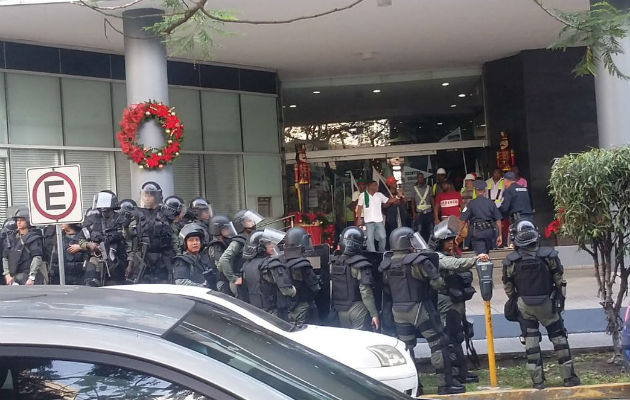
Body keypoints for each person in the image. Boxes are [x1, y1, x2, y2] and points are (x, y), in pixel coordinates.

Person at [379, 226, 464, 395]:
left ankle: (415, 388)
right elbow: (437, 283)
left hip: (398, 312)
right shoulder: (418, 261)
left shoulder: (387, 264)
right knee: (438, 343)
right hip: (419, 308)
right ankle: (445, 385)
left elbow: (386, 289)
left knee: (406, 348)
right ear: (406, 242)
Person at [502, 220, 580, 389]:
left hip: (524, 304)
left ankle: (538, 382)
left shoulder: (511, 260)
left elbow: (508, 287)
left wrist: (517, 300)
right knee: (559, 339)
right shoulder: (548, 255)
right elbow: (559, 280)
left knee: (531, 343)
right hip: (547, 303)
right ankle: (569, 379)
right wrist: (559, 299)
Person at [433, 218, 490, 386]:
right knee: (451, 338)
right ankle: (455, 374)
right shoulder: (438, 257)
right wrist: (475, 259)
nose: (451, 243)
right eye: (447, 241)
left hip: (456, 300)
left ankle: (462, 372)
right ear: (440, 242)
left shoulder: (449, 253)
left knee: (459, 335)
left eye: (452, 240)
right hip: (446, 302)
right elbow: (455, 265)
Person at [331, 226, 379, 331]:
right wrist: (374, 314)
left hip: (340, 310)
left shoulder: (334, 263)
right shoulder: (361, 264)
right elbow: (366, 292)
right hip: (357, 309)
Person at [126, 182, 176, 284]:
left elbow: (174, 238)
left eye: (151, 195)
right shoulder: (135, 214)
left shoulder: (166, 214)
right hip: (142, 258)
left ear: (157, 196)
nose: (147, 198)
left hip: (163, 258)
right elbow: (131, 241)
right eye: (145, 195)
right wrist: (130, 263)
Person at [242, 229, 295, 317]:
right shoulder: (271, 264)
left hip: (254, 312)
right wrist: (294, 290)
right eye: (268, 243)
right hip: (273, 313)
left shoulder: (246, 265)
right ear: (261, 246)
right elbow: (286, 291)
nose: (272, 245)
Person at [81, 190, 127, 286]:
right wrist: (88, 244)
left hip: (116, 259)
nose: (103, 211)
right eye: (101, 209)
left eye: (106, 209)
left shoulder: (121, 220)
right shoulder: (93, 219)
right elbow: (80, 239)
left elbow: (129, 242)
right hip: (96, 257)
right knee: (89, 282)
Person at [217, 209, 263, 297]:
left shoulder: (252, 238)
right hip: (240, 282)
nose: (252, 223)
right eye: (248, 221)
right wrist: (234, 279)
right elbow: (224, 259)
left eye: (252, 220)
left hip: (250, 279)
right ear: (240, 224)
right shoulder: (238, 241)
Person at [281, 227, 321, 325]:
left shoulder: (280, 261)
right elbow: (315, 288)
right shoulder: (303, 265)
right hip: (304, 307)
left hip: (287, 308)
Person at [3, 208, 45, 285]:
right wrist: (7, 275)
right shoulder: (11, 238)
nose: (19, 222)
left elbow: (37, 257)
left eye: (22, 220)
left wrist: (32, 277)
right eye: (17, 220)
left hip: (27, 277)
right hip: (13, 277)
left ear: (28, 221)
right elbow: (5, 257)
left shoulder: (33, 237)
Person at [460, 180, 503, 254]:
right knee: (487, 255)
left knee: (481, 257)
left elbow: (463, 220)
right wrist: (500, 235)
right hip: (489, 233)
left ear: (475, 191)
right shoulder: (491, 203)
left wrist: (458, 234)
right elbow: (498, 220)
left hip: (477, 233)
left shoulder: (471, 204)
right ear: (484, 191)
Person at [355, 180, 394, 252]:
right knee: (369, 239)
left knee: (383, 237)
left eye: (377, 185)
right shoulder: (363, 195)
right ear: (370, 186)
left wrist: (397, 197)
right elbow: (359, 207)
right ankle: (372, 254)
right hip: (368, 222)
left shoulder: (379, 195)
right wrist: (359, 219)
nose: (377, 187)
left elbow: (388, 201)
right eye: (375, 185)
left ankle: (381, 251)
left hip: (379, 221)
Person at [173, 222, 215, 287]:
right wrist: (202, 287)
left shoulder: (202, 259)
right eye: (191, 240)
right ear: (184, 243)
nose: (195, 243)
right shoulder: (182, 260)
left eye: (197, 240)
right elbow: (181, 282)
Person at [499, 171, 534, 239]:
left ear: (506, 180)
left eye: (504, 181)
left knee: (519, 239)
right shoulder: (524, 189)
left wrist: (497, 213)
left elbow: (505, 208)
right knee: (529, 236)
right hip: (529, 217)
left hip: (518, 219)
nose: (504, 184)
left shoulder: (509, 190)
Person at [208, 214, 237, 294]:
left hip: (228, 279)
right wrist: (234, 278)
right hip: (223, 282)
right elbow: (220, 266)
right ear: (217, 230)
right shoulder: (216, 246)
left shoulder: (226, 241)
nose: (228, 230)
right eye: (226, 229)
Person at [384, 176, 408, 248]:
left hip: (400, 215)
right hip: (391, 217)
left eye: (395, 182)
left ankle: (402, 246)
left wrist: (402, 197)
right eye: (394, 183)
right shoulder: (386, 194)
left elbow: (404, 202)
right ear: (390, 184)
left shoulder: (398, 192)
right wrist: (393, 200)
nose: (395, 184)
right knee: (392, 232)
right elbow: (385, 205)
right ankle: (393, 247)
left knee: (402, 231)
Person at [412, 173, 434, 242]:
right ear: (417, 179)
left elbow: (432, 200)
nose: (420, 179)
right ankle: (421, 246)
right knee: (419, 230)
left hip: (428, 212)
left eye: (421, 177)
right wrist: (413, 213)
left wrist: (434, 212)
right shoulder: (414, 189)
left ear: (423, 179)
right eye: (419, 177)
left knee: (430, 230)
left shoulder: (429, 188)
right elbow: (413, 202)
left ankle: (430, 245)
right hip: (419, 213)